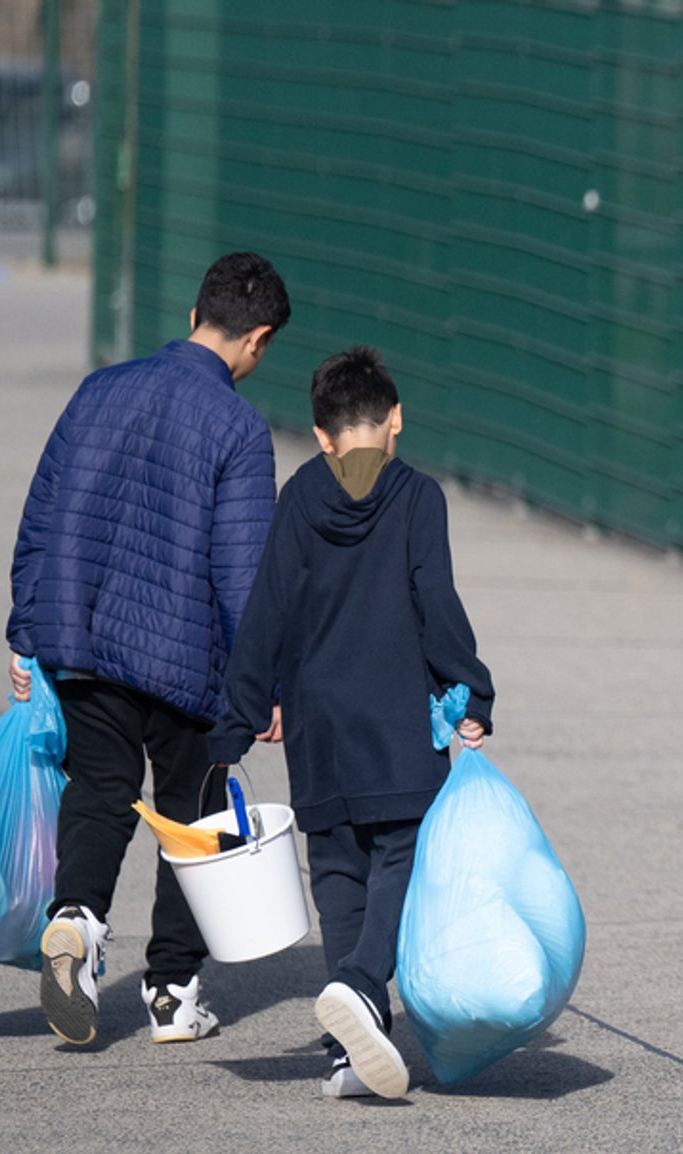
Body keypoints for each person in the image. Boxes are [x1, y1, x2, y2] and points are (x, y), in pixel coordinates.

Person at [7, 251, 290, 1045]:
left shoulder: (99, 389)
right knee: (192, 816)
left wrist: (25, 630)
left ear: (193, 314)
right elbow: (242, 575)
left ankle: (76, 924)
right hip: (184, 655)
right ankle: (172, 991)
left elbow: (40, 516)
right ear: (258, 339)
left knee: (99, 790)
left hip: (84, 638)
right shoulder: (238, 427)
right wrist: (261, 679)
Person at [209, 345, 493, 1100]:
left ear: (323, 434)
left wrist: (235, 720)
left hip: (319, 726)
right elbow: (437, 604)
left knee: (337, 871)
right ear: (396, 418)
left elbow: (267, 607)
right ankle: (365, 986)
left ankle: (346, 1055)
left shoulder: (302, 493)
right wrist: (473, 691)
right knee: (401, 854)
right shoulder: (417, 498)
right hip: (397, 720)